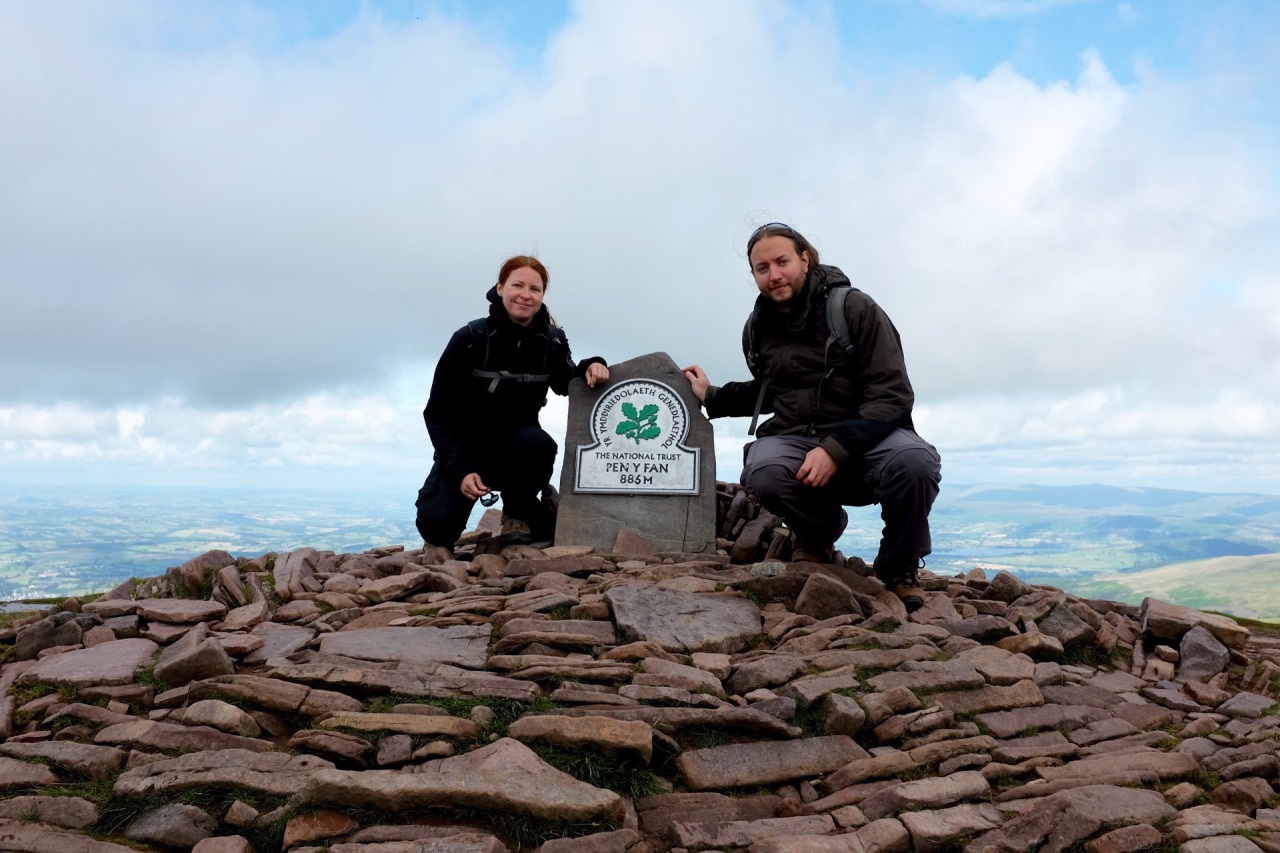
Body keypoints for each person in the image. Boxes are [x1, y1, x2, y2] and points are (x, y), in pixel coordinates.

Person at [683, 223, 941, 611]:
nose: (774, 274)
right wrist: (713, 396)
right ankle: (817, 536)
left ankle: (900, 565)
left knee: (916, 462)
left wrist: (835, 449)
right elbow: (773, 389)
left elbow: (892, 394)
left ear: (805, 259)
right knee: (764, 469)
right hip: (798, 436)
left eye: (782, 261)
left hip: (872, 439)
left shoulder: (854, 308)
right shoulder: (759, 327)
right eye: (762, 268)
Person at [416, 255, 609, 557]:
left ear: (542, 295)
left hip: (518, 449)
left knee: (538, 443)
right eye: (517, 285)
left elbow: (565, 380)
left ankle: (518, 511)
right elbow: (437, 413)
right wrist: (462, 470)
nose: (525, 294)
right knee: (436, 529)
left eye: (535, 289)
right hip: (465, 451)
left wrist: (594, 363)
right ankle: (533, 510)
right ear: (501, 287)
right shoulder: (470, 338)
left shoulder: (551, 341)